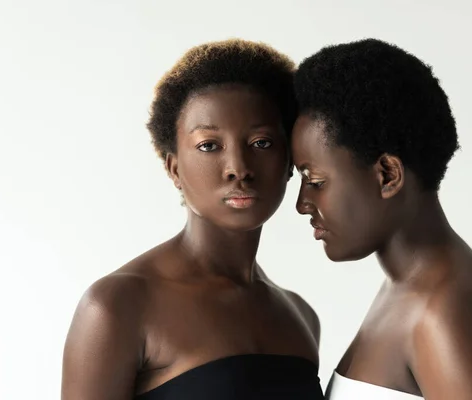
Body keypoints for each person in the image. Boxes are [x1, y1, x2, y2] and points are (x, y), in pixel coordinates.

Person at [61, 39, 323, 400]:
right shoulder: (117, 306)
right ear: (174, 168)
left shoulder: (301, 317)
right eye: (209, 146)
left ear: (289, 161)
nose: (238, 169)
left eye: (261, 143)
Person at [291, 38, 472, 399]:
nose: (303, 203)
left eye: (316, 181)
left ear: (388, 175)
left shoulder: (448, 310)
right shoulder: (410, 288)